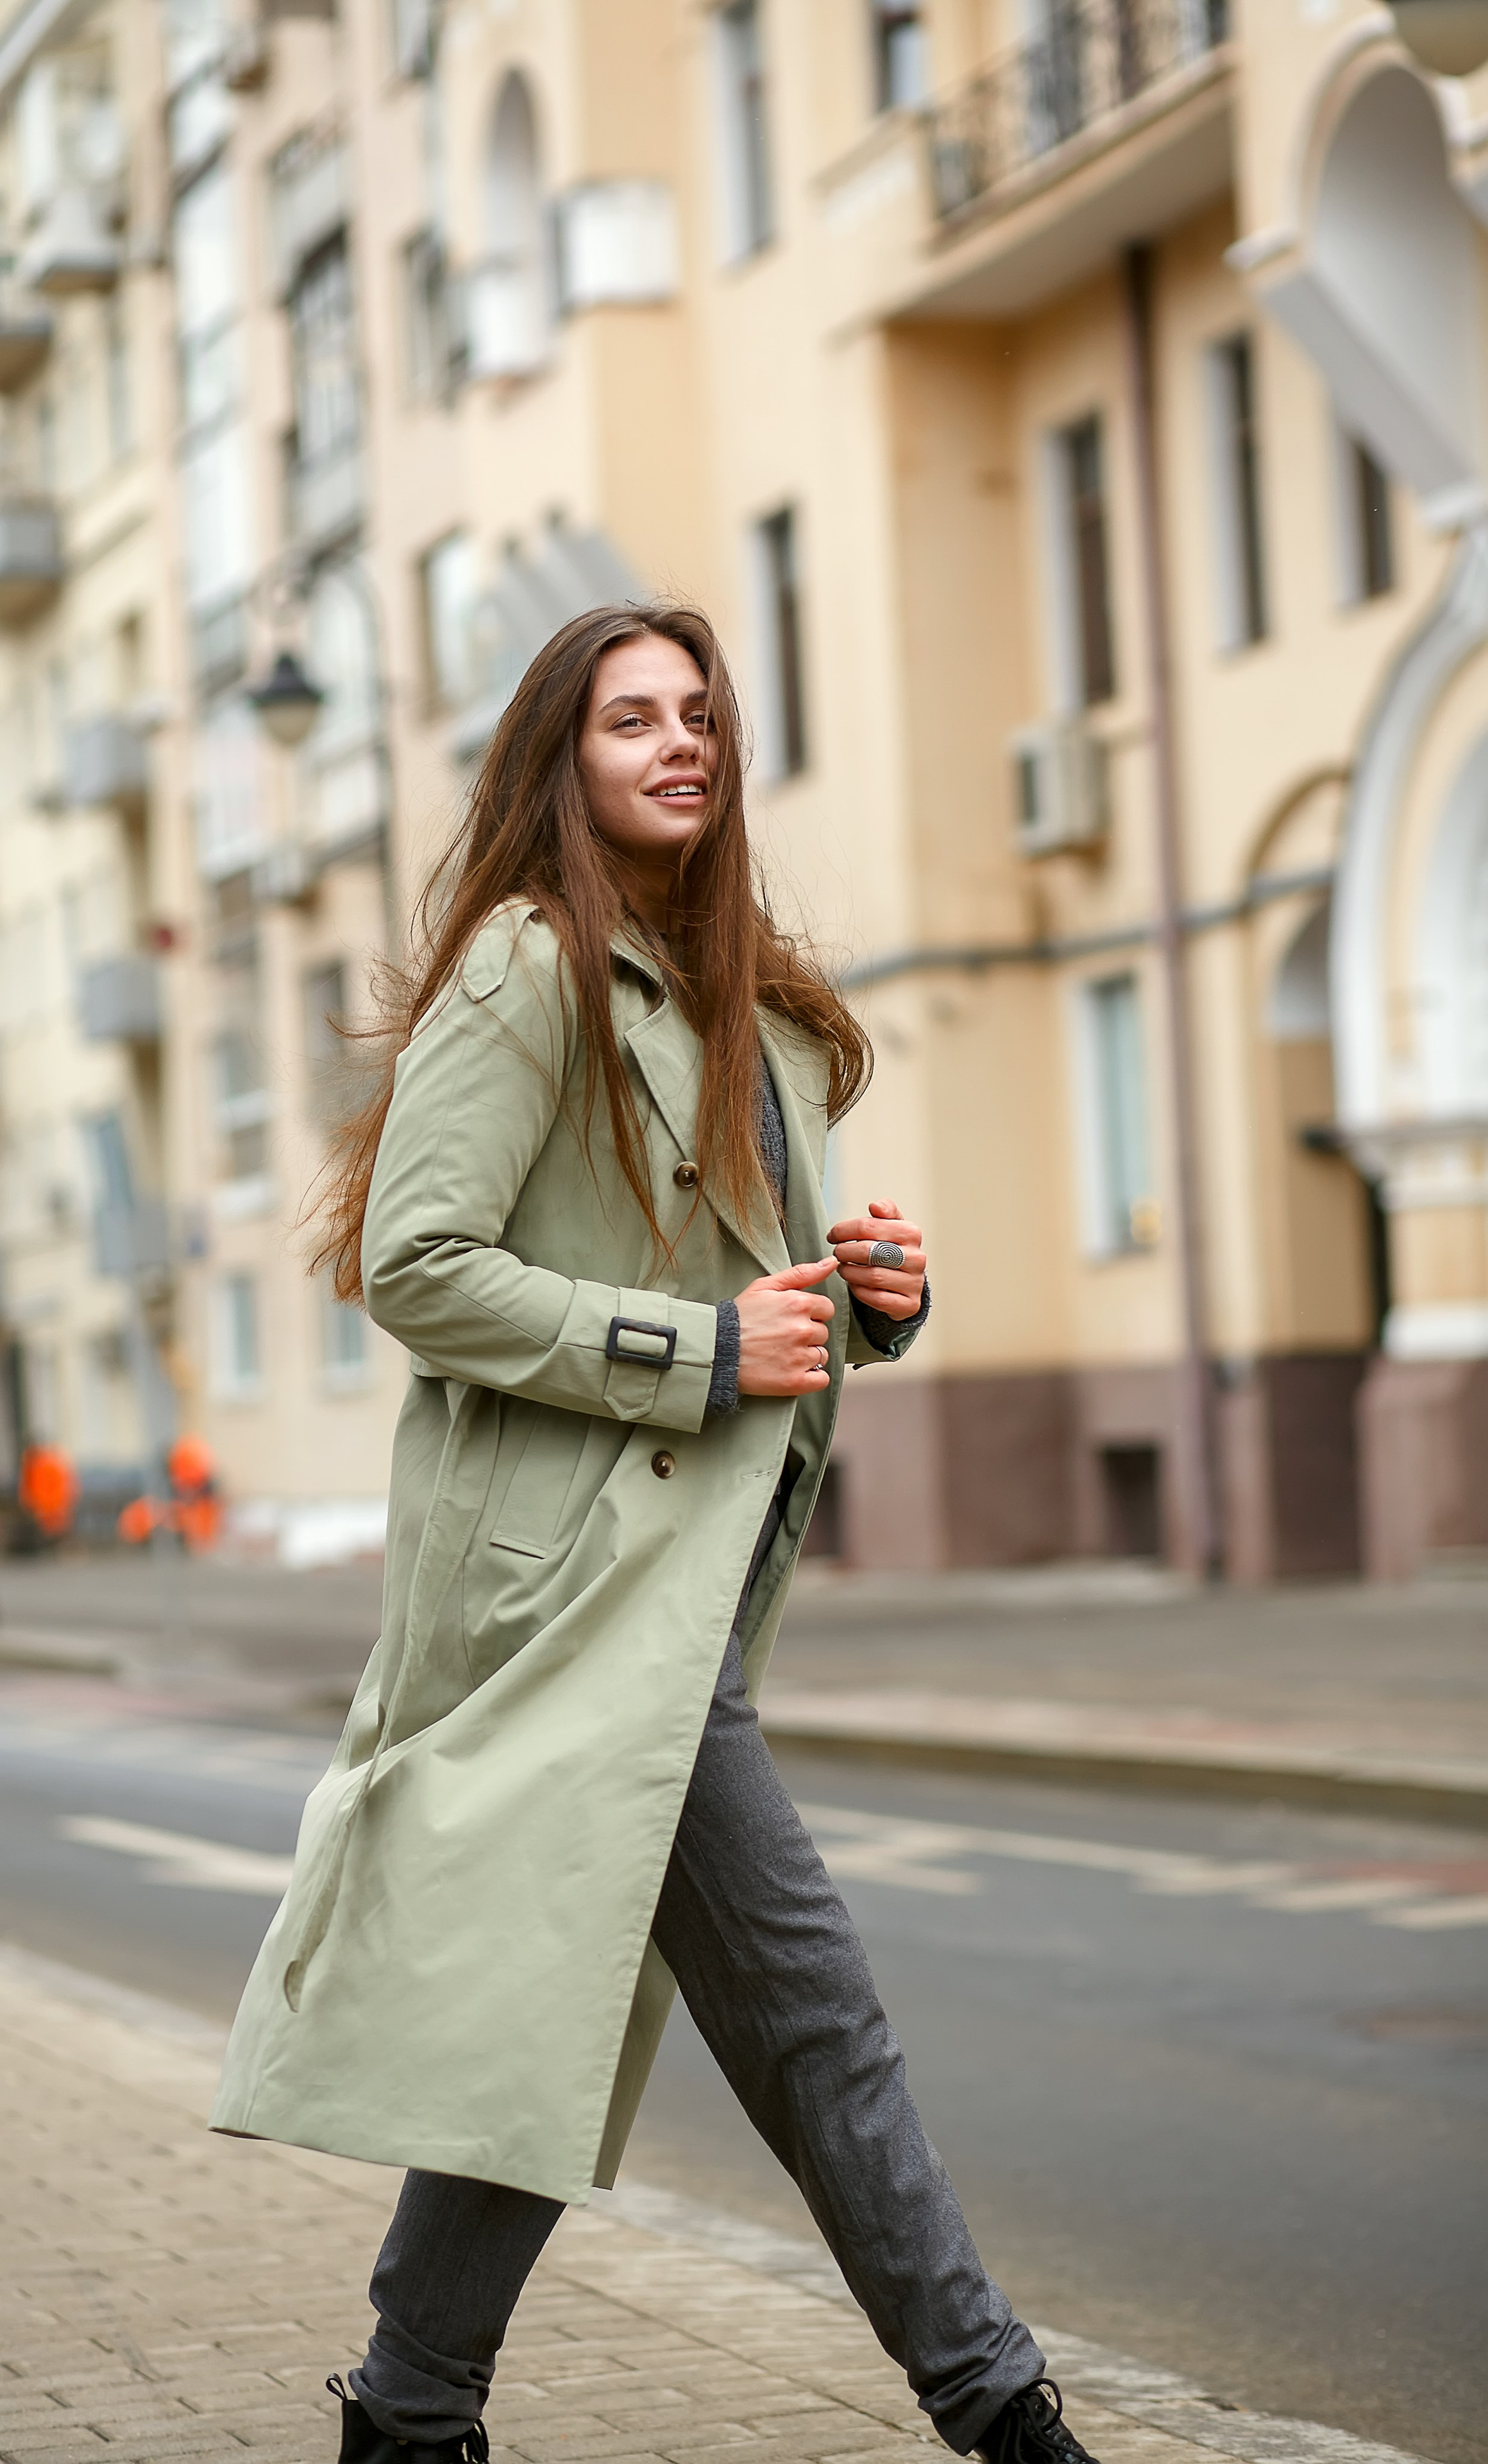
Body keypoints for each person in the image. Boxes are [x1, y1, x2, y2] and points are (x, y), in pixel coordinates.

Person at [210, 604, 1097, 2464]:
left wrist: (866, 1298)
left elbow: (730, 1280)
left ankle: (410, 2412)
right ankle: (1004, 2411)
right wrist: (697, 1353)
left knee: (575, 1997)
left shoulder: (747, 999)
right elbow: (417, 1265)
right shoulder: (527, 967)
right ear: (564, 761)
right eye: (631, 719)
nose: (679, 742)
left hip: (687, 1585)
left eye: (698, 714)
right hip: (575, 1595)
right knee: (817, 2016)